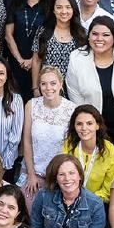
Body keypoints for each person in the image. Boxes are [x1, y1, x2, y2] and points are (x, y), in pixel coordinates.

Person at [65, 17, 114, 165]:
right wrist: (89, 126)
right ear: (88, 36)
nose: (99, 39)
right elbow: (75, 95)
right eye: (94, 34)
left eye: (106, 35)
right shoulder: (77, 57)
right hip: (97, 130)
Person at [20, 66, 76, 201]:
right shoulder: (31, 105)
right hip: (33, 170)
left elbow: (72, 148)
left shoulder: (72, 109)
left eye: (53, 83)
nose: (48, 88)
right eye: (43, 84)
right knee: (25, 205)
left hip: (58, 174)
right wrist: (31, 174)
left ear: (60, 84)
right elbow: (27, 141)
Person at [2, 0, 47, 95]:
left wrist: (33, 61)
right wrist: (20, 59)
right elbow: (8, 35)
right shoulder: (15, 4)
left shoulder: (49, 7)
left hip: (40, 62)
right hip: (16, 62)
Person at [63, 104, 114, 203]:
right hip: (68, 199)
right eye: (79, 124)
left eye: (89, 123)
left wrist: (84, 201)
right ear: (74, 126)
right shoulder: (69, 145)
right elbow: (62, 176)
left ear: (97, 125)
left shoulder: (111, 153)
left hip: (95, 204)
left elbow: (107, 191)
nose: (84, 128)